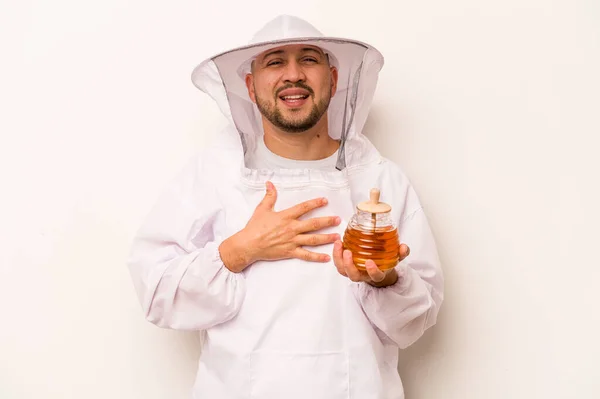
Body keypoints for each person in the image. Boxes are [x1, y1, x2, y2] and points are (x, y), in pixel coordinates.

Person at [127, 14, 444, 399]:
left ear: (334, 77)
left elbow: (416, 321)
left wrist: (385, 279)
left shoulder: (381, 182)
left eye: (308, 59)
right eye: (275, 61)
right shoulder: (212, 176)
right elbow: (156, 291)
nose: (293, 74)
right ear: (250, 84)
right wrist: (238, 251)